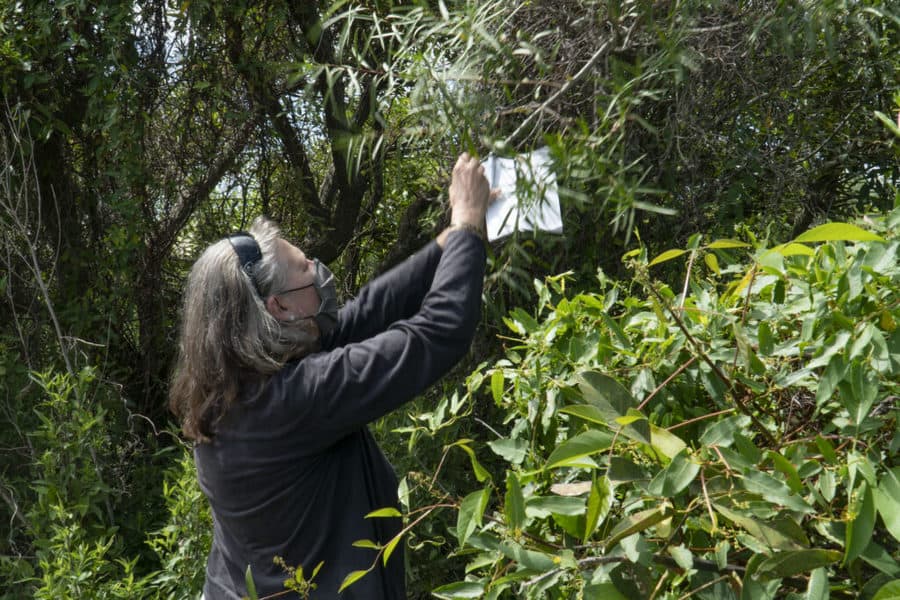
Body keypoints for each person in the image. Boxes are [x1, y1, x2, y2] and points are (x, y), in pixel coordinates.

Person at [168, 153, 492, 599]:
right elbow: (438, 332)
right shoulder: (295, 400)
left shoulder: (232, 385)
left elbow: (369, 312)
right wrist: (469, 225)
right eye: (305, 267)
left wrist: (450, 239)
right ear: (279, 307)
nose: (318, 271)